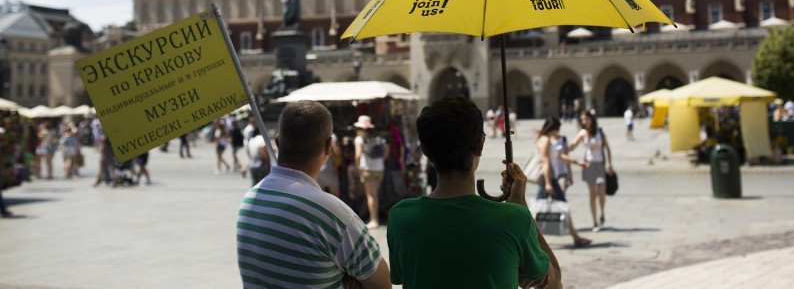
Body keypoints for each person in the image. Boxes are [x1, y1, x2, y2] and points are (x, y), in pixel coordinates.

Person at [387, 96, 561, 289]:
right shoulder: (513, 219)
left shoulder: (400, 217)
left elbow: (401, 275)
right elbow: (555, 283)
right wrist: (520, 203)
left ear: (426, 151)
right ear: (480, 146)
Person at [236, 100, 391, 288]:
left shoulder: (249, 199)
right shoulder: (332, 213)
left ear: (278, 141)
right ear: (328, 147)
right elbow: (381, 283)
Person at [534, 117, 591, 248]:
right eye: (558, 129)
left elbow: (558, 156)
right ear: (553, 129)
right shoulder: (546, 140)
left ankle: (575, 237)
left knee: (538, 209)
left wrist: (576, 162)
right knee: (558, 207)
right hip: (549, 178)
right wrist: (548, 183)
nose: (559, 132)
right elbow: (546, 162)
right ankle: (576, 238)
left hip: (548, 178)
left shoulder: (543, 139)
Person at [568, 109, 613, 232]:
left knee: (602, 194)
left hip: (600, 165)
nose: (584, 122)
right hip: (588, 165)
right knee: (592, 194)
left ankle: (602, 213)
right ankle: (594, 222)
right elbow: (573, 145)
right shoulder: (583, 133)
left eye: (586, 119)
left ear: (591, 119)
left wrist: (609, 163)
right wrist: (565, 147)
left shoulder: (600, 132)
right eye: (582, 120)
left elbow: (607, 148)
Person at [353, 115, 387, 229]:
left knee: (370, 195)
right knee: (375, 194)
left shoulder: (359, 139)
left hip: (367, 169)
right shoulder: (378, 137)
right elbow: (386, 149)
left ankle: (374, 219)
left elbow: (357, 155)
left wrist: (357, 167)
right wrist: (382, 161)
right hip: (379, 168)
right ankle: (374, 217)